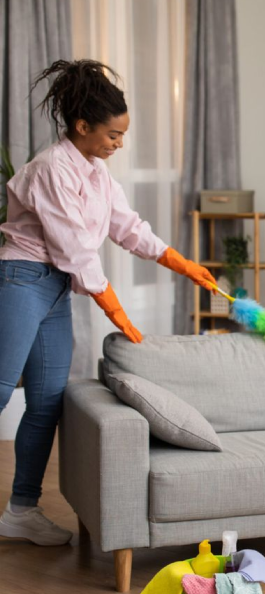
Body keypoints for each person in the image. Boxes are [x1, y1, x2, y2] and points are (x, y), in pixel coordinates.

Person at [0, 60, 216, 545]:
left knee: (46, 403)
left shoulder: (97, 174)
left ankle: (20, 511)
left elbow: (127, 227)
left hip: (56, 286)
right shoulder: (52, 168)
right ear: (83, 126)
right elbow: (74, 246)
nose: (119, 144)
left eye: (122, 135)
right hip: (22, 278)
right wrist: (113, 306)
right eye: (113, 135)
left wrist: (180, 262)